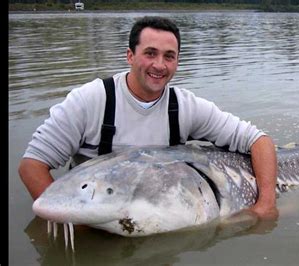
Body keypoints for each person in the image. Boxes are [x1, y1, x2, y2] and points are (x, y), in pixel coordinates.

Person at [18, 16, 278, 219]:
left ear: (177, 62)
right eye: (150, 53)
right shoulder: (89, 101)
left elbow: (258, 140)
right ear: (130, 55)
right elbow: (32, 165)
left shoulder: (186, 106)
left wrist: (266, 204)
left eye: (169, 56)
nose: (159, 65)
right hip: (93, 207)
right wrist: (75, 225)